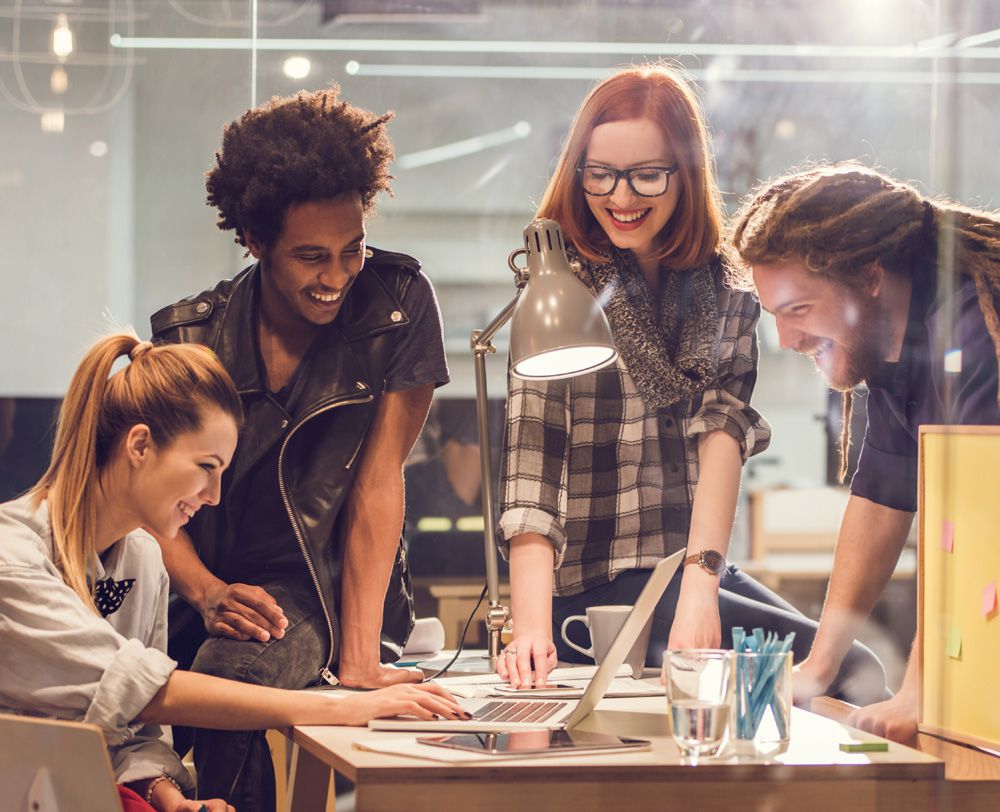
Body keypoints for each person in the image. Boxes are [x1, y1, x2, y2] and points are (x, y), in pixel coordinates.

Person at [494, 65, 886, 699]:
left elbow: (722, 437)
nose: (621, 197)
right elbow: (531, 468)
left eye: (647, 174)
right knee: (854, 676)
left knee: (853, 668)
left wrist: (703, 586)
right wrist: (531, 628)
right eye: (600, 175)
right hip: (595, 596)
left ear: (686, 173)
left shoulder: (728, 290)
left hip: (689, 574)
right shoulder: (558, 289)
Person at [0, 332, 463, 812]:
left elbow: (130, 731)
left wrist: (168, 797)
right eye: (206, 466)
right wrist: (343, 707)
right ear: (139, 445)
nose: (214, 495)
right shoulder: (11, 558)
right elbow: (148, 692)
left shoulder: (141, 555)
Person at [149, 86, 449, 809]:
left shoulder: (398, 304)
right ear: (255, 242)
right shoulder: (191, 339)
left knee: (232, 668)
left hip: (319, 584)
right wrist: (206, 590)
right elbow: (149, 511)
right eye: (312, 257)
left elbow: (379, 488)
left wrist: (360, 655)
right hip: (189, 582)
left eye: (353, 250)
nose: (339, 276)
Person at [728, 163, 1000, 741]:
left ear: (869, 277)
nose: (787, 340)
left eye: (799, 310)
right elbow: (879, 497)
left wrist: (928, 687)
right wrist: (818, 668)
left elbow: (981, 520)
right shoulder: (890, 340)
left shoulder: (975, 331)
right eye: (776, 316)